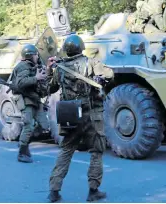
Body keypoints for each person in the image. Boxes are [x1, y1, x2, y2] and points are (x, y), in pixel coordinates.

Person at [45, 35, 114, 202]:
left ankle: (54, 190)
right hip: (91, 114)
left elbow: (50, 87)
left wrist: (49, 69)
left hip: (70, 114)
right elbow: (110, 75)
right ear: (81, 47)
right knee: (96, 151)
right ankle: (93, 190)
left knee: (66, 150)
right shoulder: (90, 63)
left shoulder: (60, 68)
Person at [10, 44, 49, 163]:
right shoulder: (22, 66)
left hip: (35, 99)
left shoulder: (34, 66)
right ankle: (22, 152)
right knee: (29, 125)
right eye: (36, 54)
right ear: (30, 56)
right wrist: (36, 78)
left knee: (44, 125)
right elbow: (21, 83)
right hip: (26, 100)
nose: (37, 56)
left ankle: (24, 142)